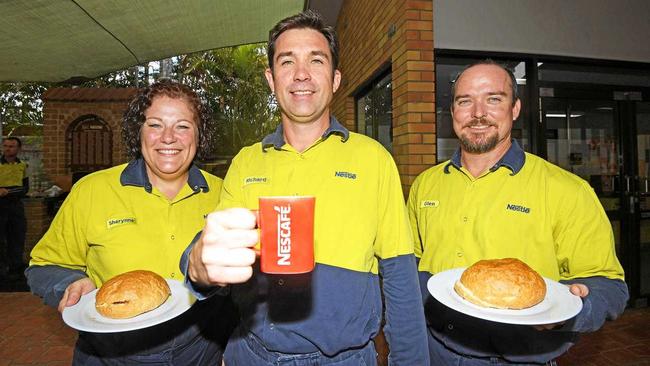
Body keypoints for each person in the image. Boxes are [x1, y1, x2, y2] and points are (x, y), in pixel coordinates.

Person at [181, 10, 429, 366]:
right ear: (270, 78)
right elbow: (219, 264)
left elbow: (400, 276)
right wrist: (198, 267)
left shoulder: (374, 160)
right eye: (287, 62)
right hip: (251, 355)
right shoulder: (246, 163)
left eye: (316, 60)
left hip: (346, 359)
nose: (301, 74)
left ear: (336, 78)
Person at [407, 60, 629, 365]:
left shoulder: (566, 190)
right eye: (465, 101)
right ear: (453, 113)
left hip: (518, 358)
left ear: (515, 109)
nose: (478, 113)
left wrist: (574, 307)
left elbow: (610, 286)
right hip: (433, 350)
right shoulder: (426, 185)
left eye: (494, 99)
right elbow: (415, 263)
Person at [26, 80, 235, 365]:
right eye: (155, 125)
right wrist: (68, 284)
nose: (169, 137)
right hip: (109, 354)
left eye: (183, 126)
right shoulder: (92, 191)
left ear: (200, 135)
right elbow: (43, 265)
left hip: (199, 352)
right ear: (138, 132)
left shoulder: (225, 194)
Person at [0, 137, 29, 277]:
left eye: (11, 146)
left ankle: (16, 266)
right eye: (5, 146)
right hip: (1, 205)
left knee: (17, 235)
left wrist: (8, 191)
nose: (8, 149)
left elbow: (25, 188)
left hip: (15, 204)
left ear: (18, 149)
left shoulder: (22, 165)